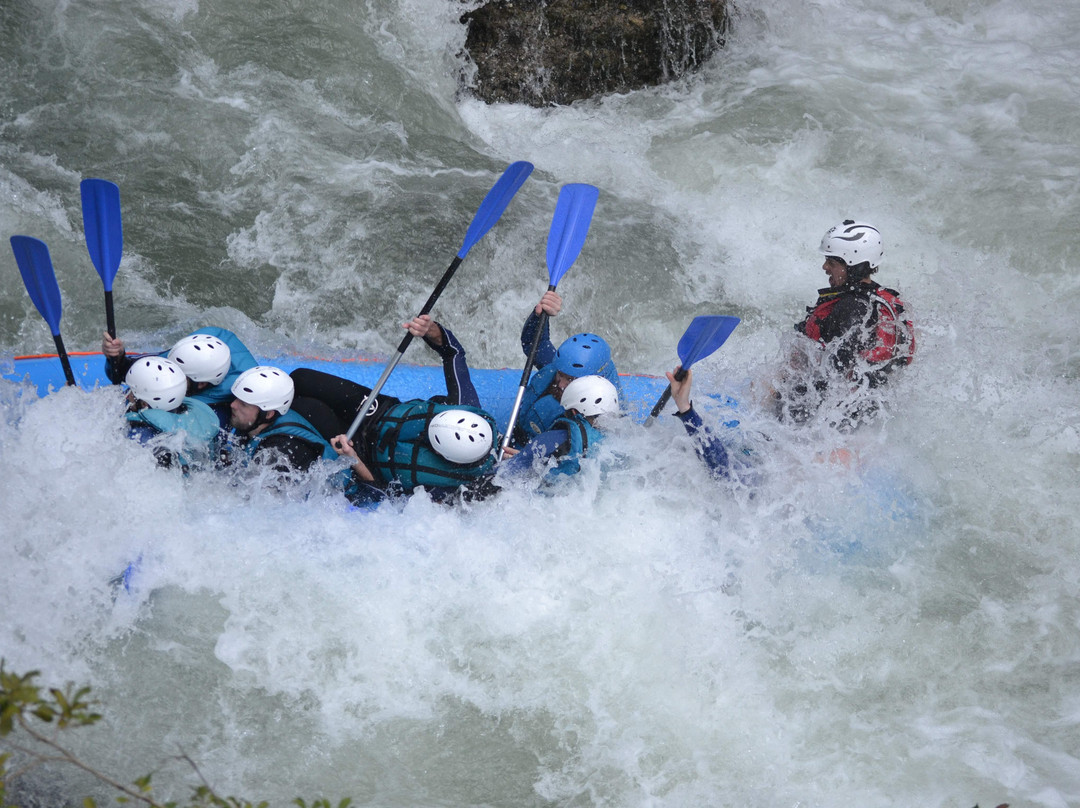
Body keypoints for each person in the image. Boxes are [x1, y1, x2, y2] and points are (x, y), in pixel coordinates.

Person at [294, 315, 501, 504]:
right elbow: (453, 353)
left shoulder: (441, 489)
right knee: (301, 378)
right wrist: (431, 330)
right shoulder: (468, 409)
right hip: (379, 411)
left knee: (306, 408)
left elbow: (383, 497)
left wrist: (352, 459)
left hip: (364, 454)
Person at [769, 220, 915, 428]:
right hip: (872, 405)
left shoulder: (852, 308)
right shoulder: (880, 300)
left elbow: (836, 371)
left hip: (838, 411)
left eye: (832, 262)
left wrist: (784, 391)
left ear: (853, 267)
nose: (825, 267)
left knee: (770, 384)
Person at [511, 290, 622, 447]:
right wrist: (541, 315)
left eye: (570, 379)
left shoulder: (600, 418)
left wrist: (527, 460)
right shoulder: (566, 368)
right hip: (520, 439)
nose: (561, 384)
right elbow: (533, 343)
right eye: (560, 375)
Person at [103, 326, 258, 423]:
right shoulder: (183, 357)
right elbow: (132, 370)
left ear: (202, 384)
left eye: (177, 375)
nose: (166, 373)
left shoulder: (240, 391)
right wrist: (117, 357)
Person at [223, 365, 341, 482]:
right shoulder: (253, 423)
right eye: (236, 398)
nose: (233, 405)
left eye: (244, 404)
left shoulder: (280, 454)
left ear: (268, 414)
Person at [500, 374, 620, 479]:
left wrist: (524, 458)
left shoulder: (553, 439)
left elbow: (500, 478)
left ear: (573, 411)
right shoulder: (620, 442)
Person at [123, 356, 220, 471]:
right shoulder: (203, 423)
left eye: (131, 393)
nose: (127, 396)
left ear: (144, 404)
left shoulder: (139, 436)